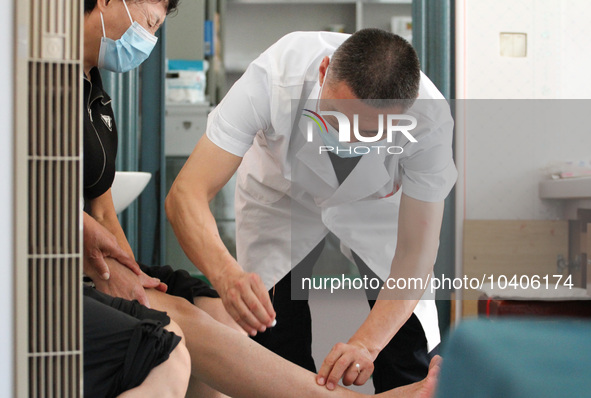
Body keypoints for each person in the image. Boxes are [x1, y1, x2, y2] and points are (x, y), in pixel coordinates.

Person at [166, 29, 457, 393]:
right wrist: (225, 275)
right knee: (273, 331)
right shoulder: (275, 77)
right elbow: (186, 193)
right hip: (281, 193)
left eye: (368, 133)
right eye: (336, 120)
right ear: (323, 72)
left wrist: (365, 344)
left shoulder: (429, 124)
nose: (347, 140)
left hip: (375, 208)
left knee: (404, 344)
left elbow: (415, 253)